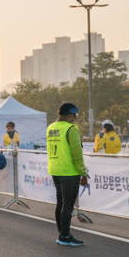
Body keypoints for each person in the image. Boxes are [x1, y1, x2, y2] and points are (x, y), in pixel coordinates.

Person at [47, 103, 89, 247]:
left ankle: (62, 233)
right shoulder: (71, 129)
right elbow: (76, 154)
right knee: (68, 205)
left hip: (55, 170)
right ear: (71, 114)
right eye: (75, 115)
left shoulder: (50, 127)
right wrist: (83, 173)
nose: (76, 118)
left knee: (60, 203)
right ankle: (65, 236)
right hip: (69, 171)